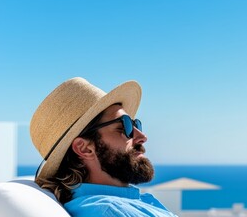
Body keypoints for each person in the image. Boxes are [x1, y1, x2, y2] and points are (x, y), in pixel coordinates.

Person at [30, 77, 177, 217]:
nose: (142, 137)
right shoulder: (109, 211)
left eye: (135, 124)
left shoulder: (119, 205)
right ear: (85, 148)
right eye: (124, 127)